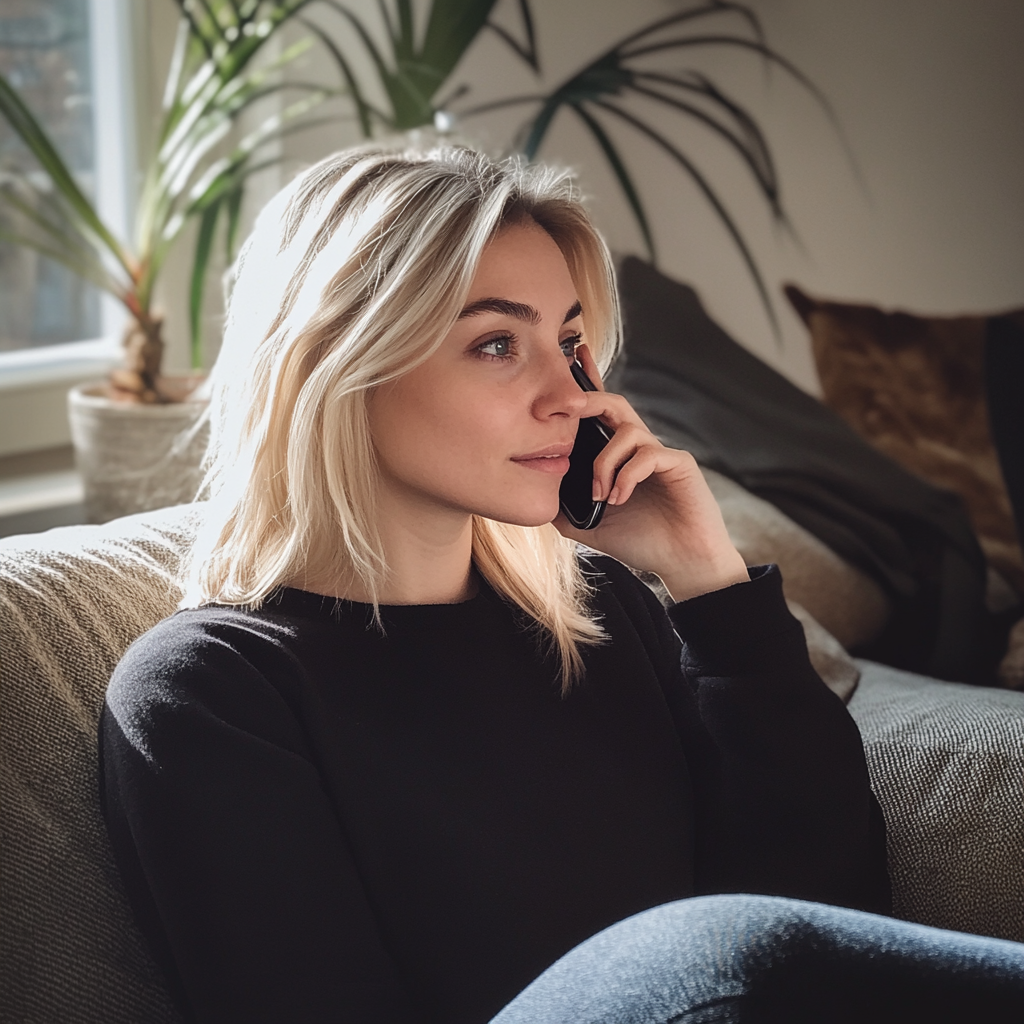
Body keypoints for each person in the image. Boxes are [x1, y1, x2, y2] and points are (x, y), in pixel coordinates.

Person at [99, 144, 1024, 1024]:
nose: (573, 394)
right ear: (337, 364)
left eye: (571, 340)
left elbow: (832, 905)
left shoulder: (605, 614)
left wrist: (711, 588)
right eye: (498, 344)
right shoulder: (209, 692)